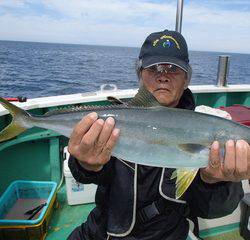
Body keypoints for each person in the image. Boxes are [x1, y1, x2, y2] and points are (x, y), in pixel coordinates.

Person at [67, 29, 249, 240]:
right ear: (140, 75)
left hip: (169, 234)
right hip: (104, 231)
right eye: (154, 68)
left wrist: (215, 182)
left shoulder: (208, 126)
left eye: (173, 69)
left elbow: (214, 210)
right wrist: (86, 164)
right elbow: (85, 175)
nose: (163, 75)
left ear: (186, 79)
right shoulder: (115, 120)